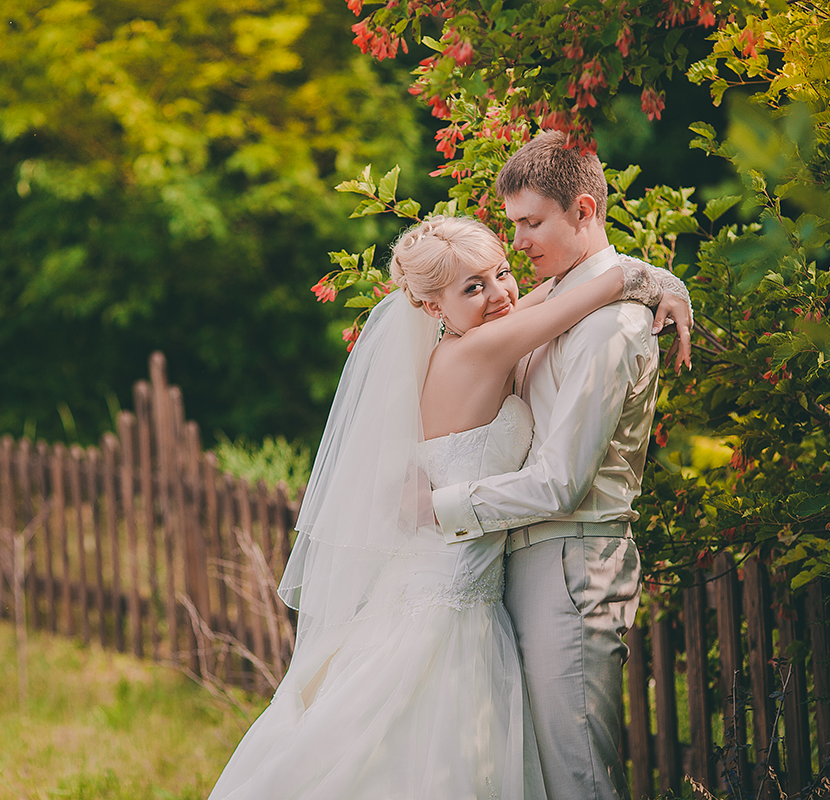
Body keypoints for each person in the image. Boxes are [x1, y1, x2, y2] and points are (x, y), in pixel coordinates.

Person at [206, 213, 690, 800]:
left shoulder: (472, 338)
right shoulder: (483, 348)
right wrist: (666, 287)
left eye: (501, 273)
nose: (498, 295)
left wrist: (662, 283)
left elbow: (551, 292)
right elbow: (598, 288)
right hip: (450, 595)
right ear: (432, 309)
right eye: (472, 288)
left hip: (451, 581)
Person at [431, 131, 690, 800]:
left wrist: (440, 508)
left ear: (581, 210)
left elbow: (560, 481)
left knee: (577, 774)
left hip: (573, 566)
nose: (517, 243)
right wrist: (660, 278)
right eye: (512, 223)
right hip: (519, 564)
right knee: (534, 772)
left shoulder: (610, 328)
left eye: (530, 223)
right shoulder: (558, 302)